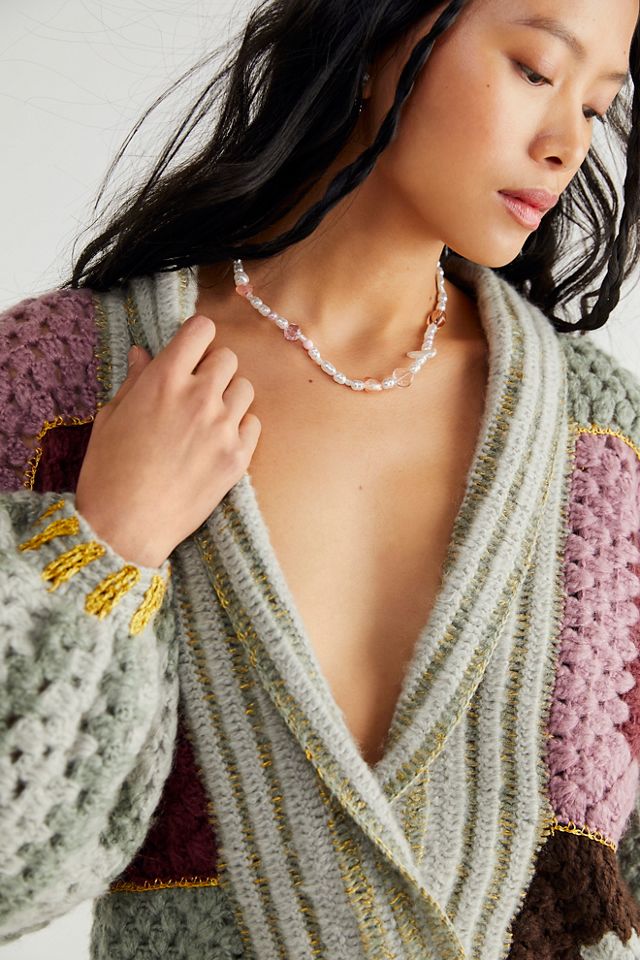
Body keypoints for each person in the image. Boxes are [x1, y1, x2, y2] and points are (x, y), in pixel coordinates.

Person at [2, 0, 640, 956]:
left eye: (595, 105)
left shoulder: (602, 444)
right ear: (379, 35)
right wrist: (105, 545)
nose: (567, 145)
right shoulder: (62, 385)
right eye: (536, 70)